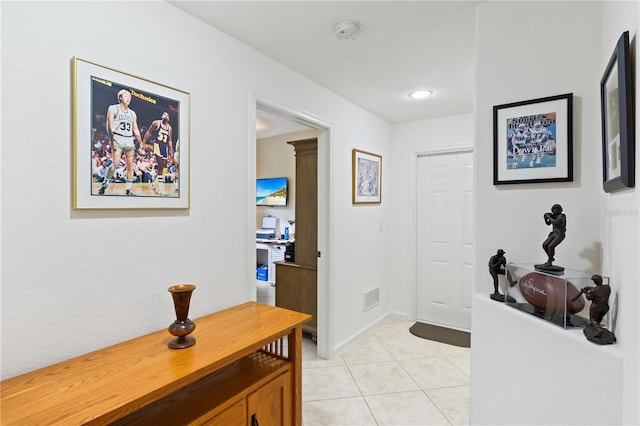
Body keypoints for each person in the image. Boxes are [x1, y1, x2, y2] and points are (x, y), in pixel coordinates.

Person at [99, 89, 144, 196]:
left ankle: (128, 189)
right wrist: (111, 139)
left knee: (130, 165)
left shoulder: (132, 113)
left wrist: (141, 142)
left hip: (129, 138)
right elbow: (109, 125)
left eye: (130, 97)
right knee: (115, 164)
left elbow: (136, 129)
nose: (128, 98)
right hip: (117, 138)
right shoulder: (113, 108)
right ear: (120, 98)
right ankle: (105, 184)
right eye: (126, 96)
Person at [142, 112, 173, 196]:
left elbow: (169, 141)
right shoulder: (156, 123)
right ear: (161, 116)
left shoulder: (169, 128)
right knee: (160, 166)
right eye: (164, 114)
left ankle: (154, 184)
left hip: (165, 147)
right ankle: (161, 188)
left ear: (168, 119)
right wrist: (143, 143)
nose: (165, 114)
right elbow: (149, 133)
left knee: (165, 168)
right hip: (157, 145)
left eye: (167, 114)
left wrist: (171, 152)